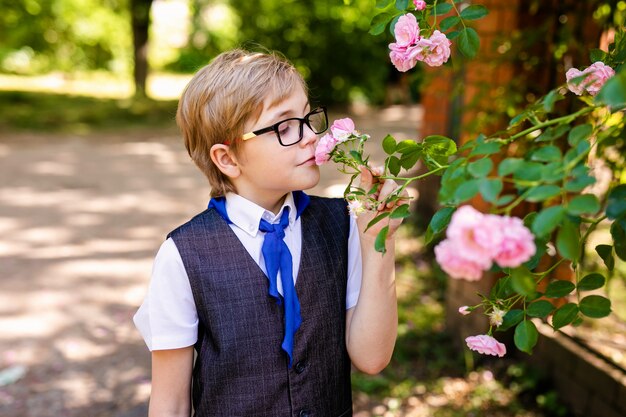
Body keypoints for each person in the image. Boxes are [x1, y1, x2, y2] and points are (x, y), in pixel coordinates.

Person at [133, 48, 406, 417]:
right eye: (284, 127)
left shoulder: (342, 223)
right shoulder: (184, 254)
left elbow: (372, 359)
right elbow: (171, 402)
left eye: (307, 117)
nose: (310, 136)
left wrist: (380, 238)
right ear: (227, 158)